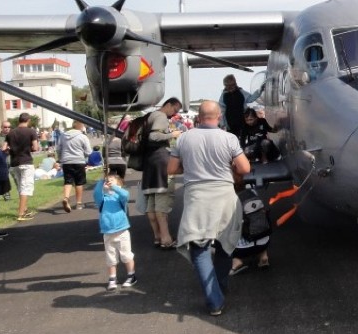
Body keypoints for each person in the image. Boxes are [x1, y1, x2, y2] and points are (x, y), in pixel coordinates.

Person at [168, 100, 250, 316]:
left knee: (199, 249)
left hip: (197, 198)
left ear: (198, 117)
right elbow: (244, 168)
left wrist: (192, 166)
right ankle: (219, 289)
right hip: (224, 196)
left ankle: (215, 300)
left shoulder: (184, 138)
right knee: (225, 246)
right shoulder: (229, 138)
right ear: (219, 116)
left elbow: (171, 168)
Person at [142, 98, 183, 248]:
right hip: (160, 161)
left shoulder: (151, 116)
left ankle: (157, 236)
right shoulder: (160, 117)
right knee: (162, 201)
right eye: (175, 110)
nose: (174, 114)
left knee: (151, 203)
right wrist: (173, 134)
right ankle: (166, 238)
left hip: (149, 162)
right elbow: (154, 136)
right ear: (169, 105)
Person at [93, 173, 137, 291]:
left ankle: (131, 275)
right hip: (107, 233)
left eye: (112, 181)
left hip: (122, 231)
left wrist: (114, 187)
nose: (109, 183)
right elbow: (96, 192)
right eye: (107, 181)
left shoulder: (119, 198)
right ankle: (112, 278)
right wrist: (102, 180)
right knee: (110, 257)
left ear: (119, 185)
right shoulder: (102, 199)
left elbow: (125, 195)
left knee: (126, 255)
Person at [5, 112, 39, 221]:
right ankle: (20, 214)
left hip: (14, 162)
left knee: (20, 187)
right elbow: (35, 147)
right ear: (28, 120)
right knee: (26, 187)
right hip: (26, 161)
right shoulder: (31, 131)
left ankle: (24, 209)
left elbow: (4, 147)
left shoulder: (10, 133)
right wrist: (29, 148)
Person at [57, 120, 92, 212]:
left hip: (66, 161)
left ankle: (66, 197)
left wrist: (60, 158)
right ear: (81, 126)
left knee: (68, 181)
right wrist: (83, 155)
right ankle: (79, 203)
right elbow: (88, 152)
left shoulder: (63, 136)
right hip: (79, 161)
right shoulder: (82, 137)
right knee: (79, 182)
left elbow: (58, 149)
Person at [218, 74, 250, 140]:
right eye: (228, 86)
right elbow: (221, 110)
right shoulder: (224, 95)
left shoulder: (241, 92)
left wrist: (259, 91)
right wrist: (223, 124)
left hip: (242, 120)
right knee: (232, 140)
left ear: (235, 84)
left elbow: (250, 98)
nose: (230, 88)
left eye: (232, 85)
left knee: (242, 139)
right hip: (230, 122)